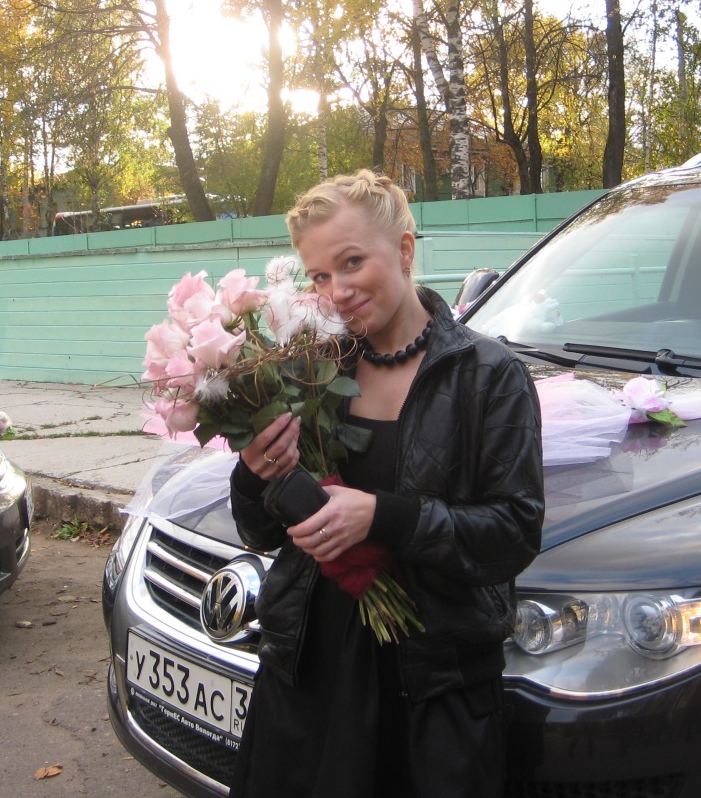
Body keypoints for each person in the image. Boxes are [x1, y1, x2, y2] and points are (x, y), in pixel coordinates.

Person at [228, 170, 545, 798]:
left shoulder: (487, 375)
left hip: (430, 686)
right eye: (320, 276)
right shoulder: (310, 368)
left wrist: (382, 517)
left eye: (352, 263)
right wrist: (254, 471)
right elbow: (261, 531)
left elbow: (513, 534)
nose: (338, 292)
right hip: (309, 674)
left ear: (403, 249)